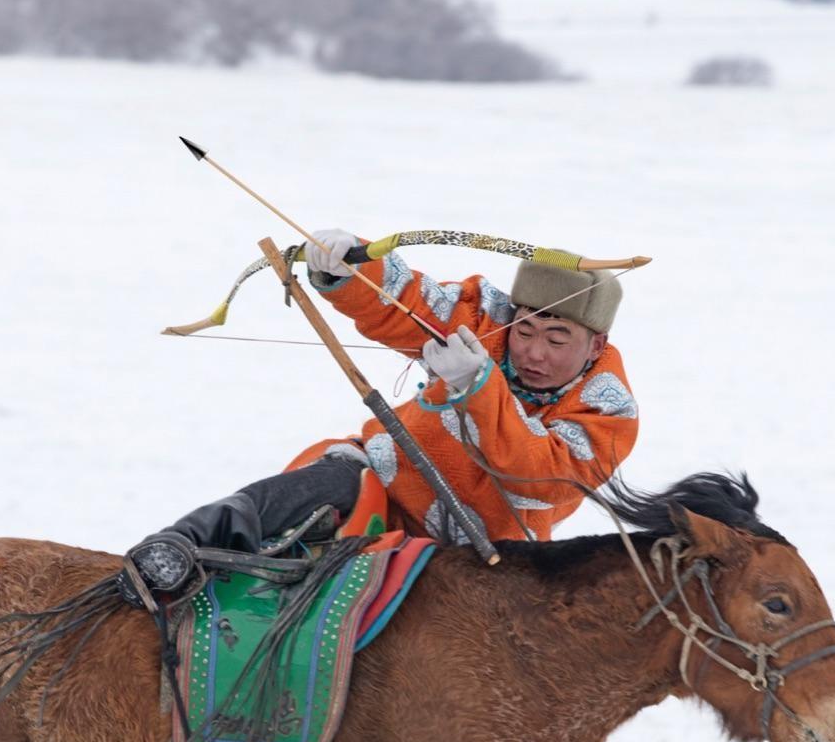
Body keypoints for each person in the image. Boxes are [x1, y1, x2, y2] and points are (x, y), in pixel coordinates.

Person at [119, 227, 639, 605]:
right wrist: (348, 269)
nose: (534, 353)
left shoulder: (609, 409)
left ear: (596, 344)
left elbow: (539, 477)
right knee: (318, 484)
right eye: (526, 331)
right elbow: (411, 301)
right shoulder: (484, 319)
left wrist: (477, 387)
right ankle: (177, 548)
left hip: (480, 544)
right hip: (384, 480)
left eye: (557, 339)